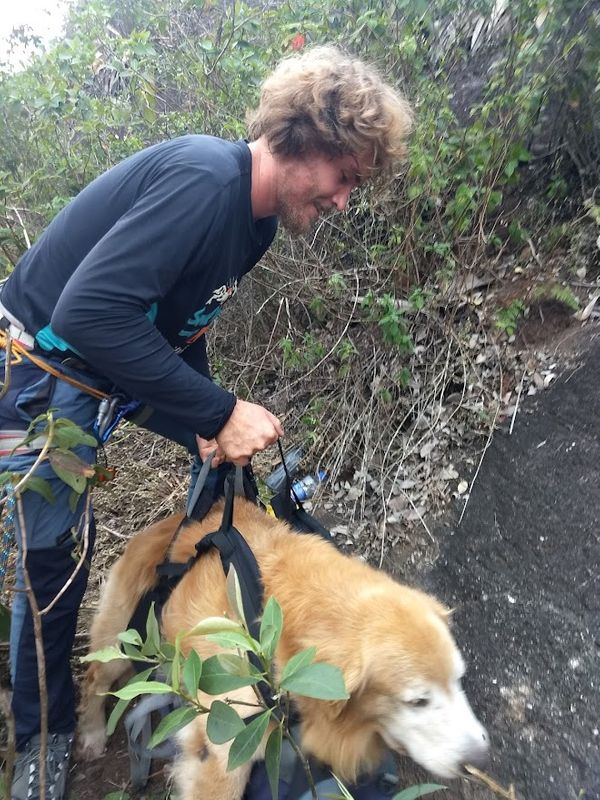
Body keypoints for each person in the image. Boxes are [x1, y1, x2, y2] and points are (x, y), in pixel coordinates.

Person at [0, 44, 413, 799]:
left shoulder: (253, 224)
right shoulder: (203, 180)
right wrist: (219, 410)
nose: (343, 201)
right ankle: (43, 736)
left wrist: (201, 418)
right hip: (35, 371)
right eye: (344, 178)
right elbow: (88, 313)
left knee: (214, 468)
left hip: (101, 371)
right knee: (49, 561)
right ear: (308, 138)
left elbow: (182, 322)